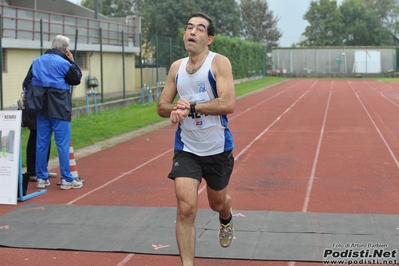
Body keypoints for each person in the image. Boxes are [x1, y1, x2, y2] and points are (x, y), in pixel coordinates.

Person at [157, 12, 235, 266]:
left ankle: (226, 216)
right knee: (186, 208)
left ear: (209, 38)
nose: (192, 32)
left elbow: (228, 103)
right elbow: (161, 106)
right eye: (189, 27)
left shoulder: (218, 63)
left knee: (217, 203)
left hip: (217, 148)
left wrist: (190, 107)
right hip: (187, 148)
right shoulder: (176, 68)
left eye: (199, 29)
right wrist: (176, 110)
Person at [22, 35, 83, 190]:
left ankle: (41, 178)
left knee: (42, 143)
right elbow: (76, 79)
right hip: (60, 107)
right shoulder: (64, 63)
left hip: (41, 107)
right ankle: (67, 179)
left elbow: (26, 83)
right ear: (65, 49)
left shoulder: (37, 61)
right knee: (62, 144)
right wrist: (72, 61)